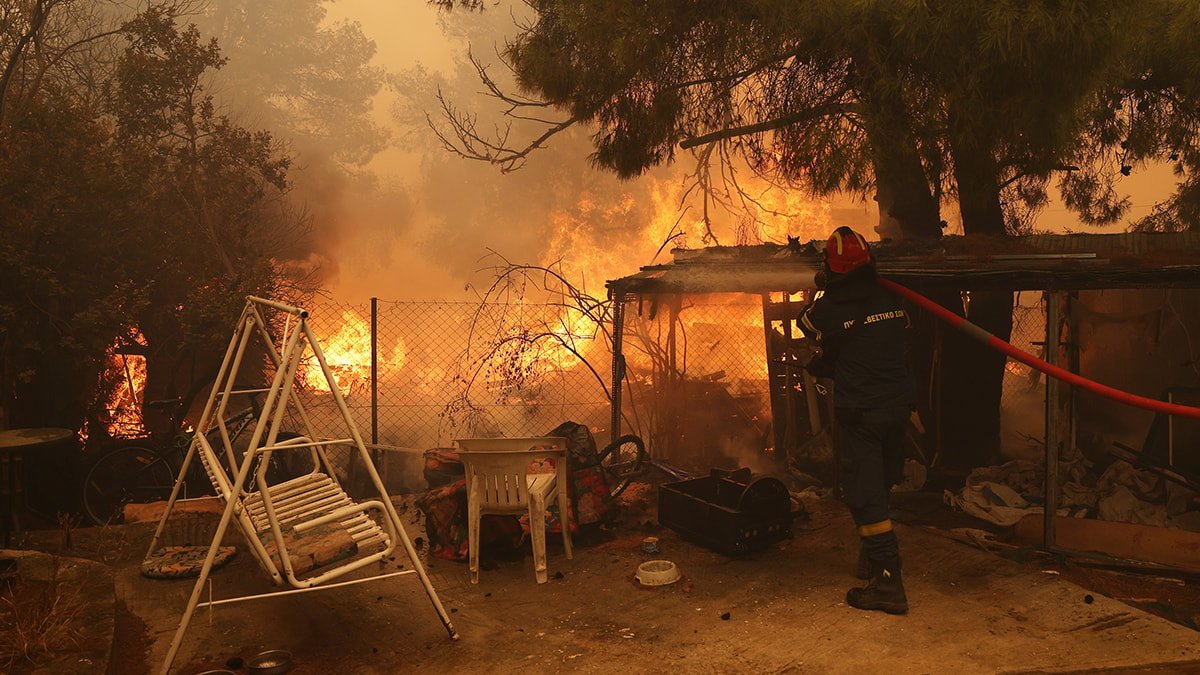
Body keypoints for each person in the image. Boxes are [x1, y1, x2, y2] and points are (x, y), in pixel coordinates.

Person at [798, 226, 916, 615]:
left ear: (834, 270)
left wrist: (820, 292)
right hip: (897, 409)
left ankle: (888, 584)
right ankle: (870, 558)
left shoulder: (829, 309)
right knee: (880, 483)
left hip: (861, 413)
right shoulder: (894, 298)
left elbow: (806, 325)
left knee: (865, 497)